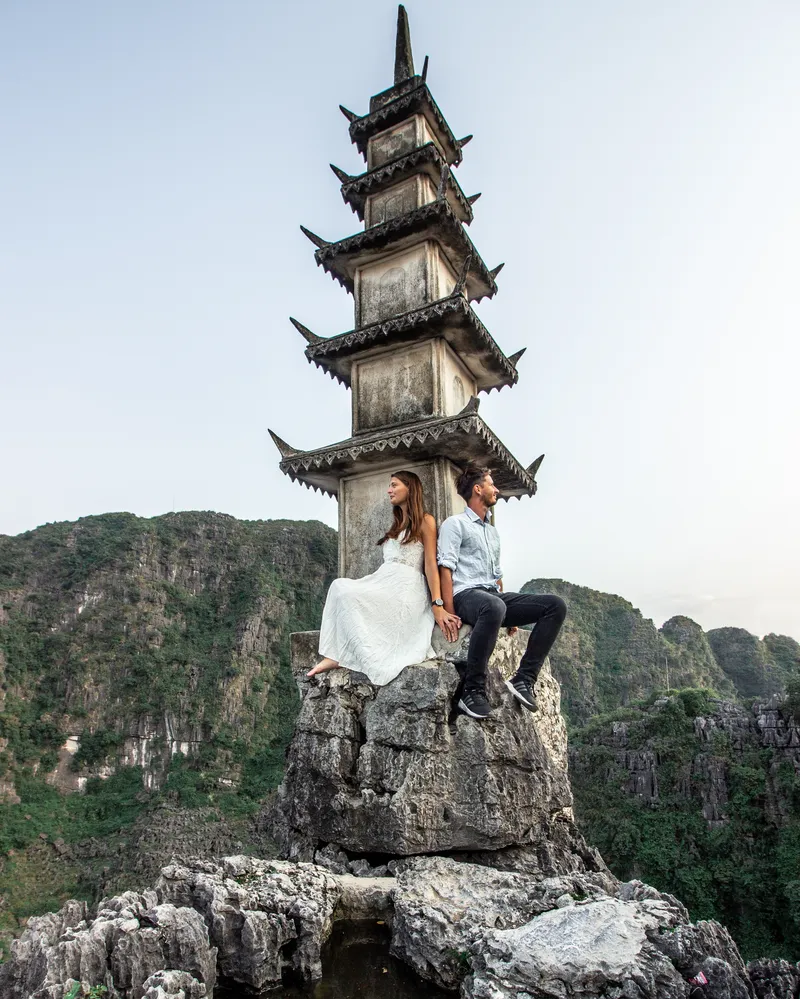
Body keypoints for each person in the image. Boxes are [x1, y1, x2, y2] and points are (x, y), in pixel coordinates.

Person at [437, 463, 567, 719]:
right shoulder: (455, 524)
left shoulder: (492, 532)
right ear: (477, 489)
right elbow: (446, 568)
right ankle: (471, 691)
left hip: (491, 597)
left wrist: (510, 614)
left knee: (555, 605)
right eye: (491, 484)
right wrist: (447, 610)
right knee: (493, 606)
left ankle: (524, 678)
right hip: (465, 595)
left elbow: (496, 576)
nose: (496, 490)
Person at [307, 470, 462, 684]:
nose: (389, 490)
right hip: (384, 581)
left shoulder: (426, 521)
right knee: (339, 587)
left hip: (406, 590)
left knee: (343, 590)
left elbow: (430, 566)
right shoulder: (398, 525)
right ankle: (335, 655)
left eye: (394, 485)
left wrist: (437, 605)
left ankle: (338, 656)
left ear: (410, 488)